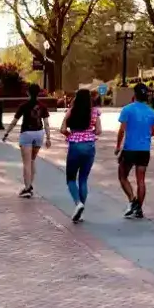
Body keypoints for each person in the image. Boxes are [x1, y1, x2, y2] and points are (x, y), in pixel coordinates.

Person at [115, 82, 154, 219]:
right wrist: (144, 135)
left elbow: (122, 130)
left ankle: (132, 200)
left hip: (130, 148)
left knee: (122, 176)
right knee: (141, 180)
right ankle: (139, 208)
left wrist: (118, 146)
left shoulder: (127, 109)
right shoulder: (151, 112)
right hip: (144, 150)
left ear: (134, 94)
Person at [2, 83, 50, 197]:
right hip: (39, 134)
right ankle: (30, 184)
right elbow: (46, 124)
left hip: (27, 134)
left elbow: (14, 122)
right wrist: (48, 138)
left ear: (28, 93)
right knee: (32, 160)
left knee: (26, 163)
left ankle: (27, 188)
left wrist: (6, 133)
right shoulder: (43, 106)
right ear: (38, 93)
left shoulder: (23, 106)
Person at [61, 88, 101, 223]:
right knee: (83, 179)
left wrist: (71, 135)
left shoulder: (72, 111)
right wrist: (89, 134)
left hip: (75, 146)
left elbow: (62, 129)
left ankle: (78, 203)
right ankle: (81, 210)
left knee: (71, 178)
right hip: (89, 147)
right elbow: (99, 131)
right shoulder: (95, 112)